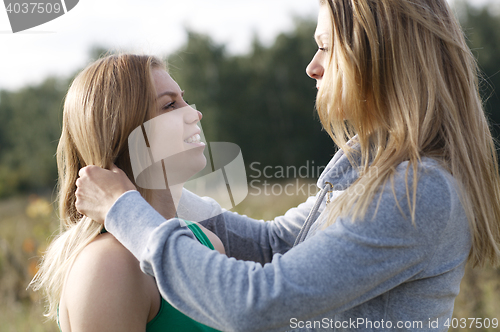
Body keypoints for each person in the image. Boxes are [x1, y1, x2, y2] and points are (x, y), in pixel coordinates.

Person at [74, 0, 500, 331]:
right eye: (169, 104)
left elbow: (254, 304)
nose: (312, 67)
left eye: (324, 47)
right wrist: (154, 195)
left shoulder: (418, 190)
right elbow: (274, 245)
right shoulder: (375, 166)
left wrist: (126, 210)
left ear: (380, 57)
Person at [29, 54, 224, 332]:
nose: (194, 113)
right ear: (125, 131)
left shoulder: (207, 241)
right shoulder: (109, 265)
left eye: (183, 99)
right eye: (169, 105)